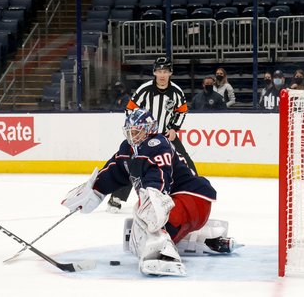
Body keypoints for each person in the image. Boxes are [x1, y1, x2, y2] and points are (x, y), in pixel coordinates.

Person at [61, 109, 238, 276]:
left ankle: (162, 253)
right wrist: (93, 191)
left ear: (149, 130)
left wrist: (153, 203)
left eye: (137, 131)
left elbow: (159, 179)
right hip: (181, 210)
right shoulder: (127, 149)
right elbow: (112, 172)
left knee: (145, 208)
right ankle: (202, 239)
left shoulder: (157, 144)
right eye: (130, 131)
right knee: (136, 232)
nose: (133, 136)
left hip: (192, 201)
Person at [106, 57, 198, 213]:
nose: (162, 75)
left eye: (165, 71)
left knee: (185, 162)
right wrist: (137, 130)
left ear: (170, 73)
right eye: (159, 71)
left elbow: (182, 111)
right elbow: (130, 109)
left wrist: (174, 128)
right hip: (144, 137)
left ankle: (195, 193)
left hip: (165, 136)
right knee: (132, 164)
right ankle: (117, 197)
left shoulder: (176, 92)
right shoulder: (144, 90)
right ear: (154, 72)